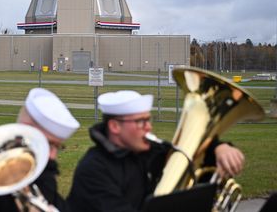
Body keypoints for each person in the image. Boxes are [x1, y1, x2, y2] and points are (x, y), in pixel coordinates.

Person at [67, 90, 245, 212]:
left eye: (148, 120)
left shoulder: (150, 150)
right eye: (141, 122)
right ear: (115, 126)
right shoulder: (93, 169)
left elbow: (192, 156)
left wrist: (220, 148)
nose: (149, 127)